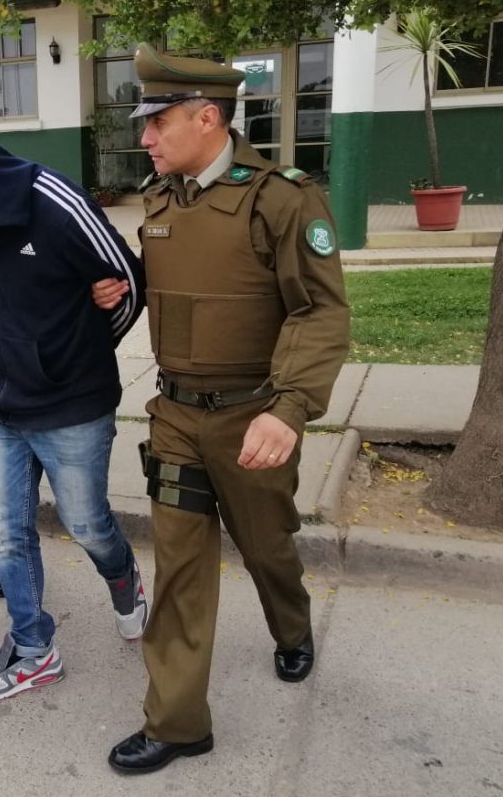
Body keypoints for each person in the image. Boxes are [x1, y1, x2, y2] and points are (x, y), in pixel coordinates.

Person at [101, 44, 350, 773]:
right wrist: (123, 291)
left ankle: (292, 626)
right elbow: (183, 287)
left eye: (157, 122)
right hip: (175, 415)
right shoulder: (158, 197)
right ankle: (179, 723)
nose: (143, 137)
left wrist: (291, 406)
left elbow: (321, 312)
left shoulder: (282, 197)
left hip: (254, 416)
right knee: (178, 563)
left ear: (207, 117)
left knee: (266, 543)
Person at [0, 128, 147, 702]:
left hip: (71, 406)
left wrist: (80, 356)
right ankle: (33, 649)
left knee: (87, 524)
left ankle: (125, 580)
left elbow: (127, 285)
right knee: (6, 528)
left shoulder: (58, 204)